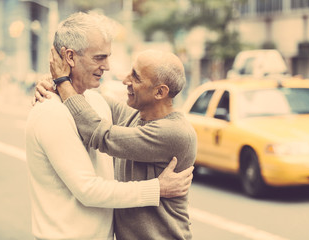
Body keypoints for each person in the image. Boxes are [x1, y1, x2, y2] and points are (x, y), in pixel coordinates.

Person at [26, 12, 193, 240]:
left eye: (135, 76)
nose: (108, 67)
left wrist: (61, 82)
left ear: (160, 92)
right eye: (99, 57)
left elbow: (101, 133)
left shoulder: (173, 132)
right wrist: (52, 81)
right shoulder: (50, 112)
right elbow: (88, 189)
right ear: (70, 57)